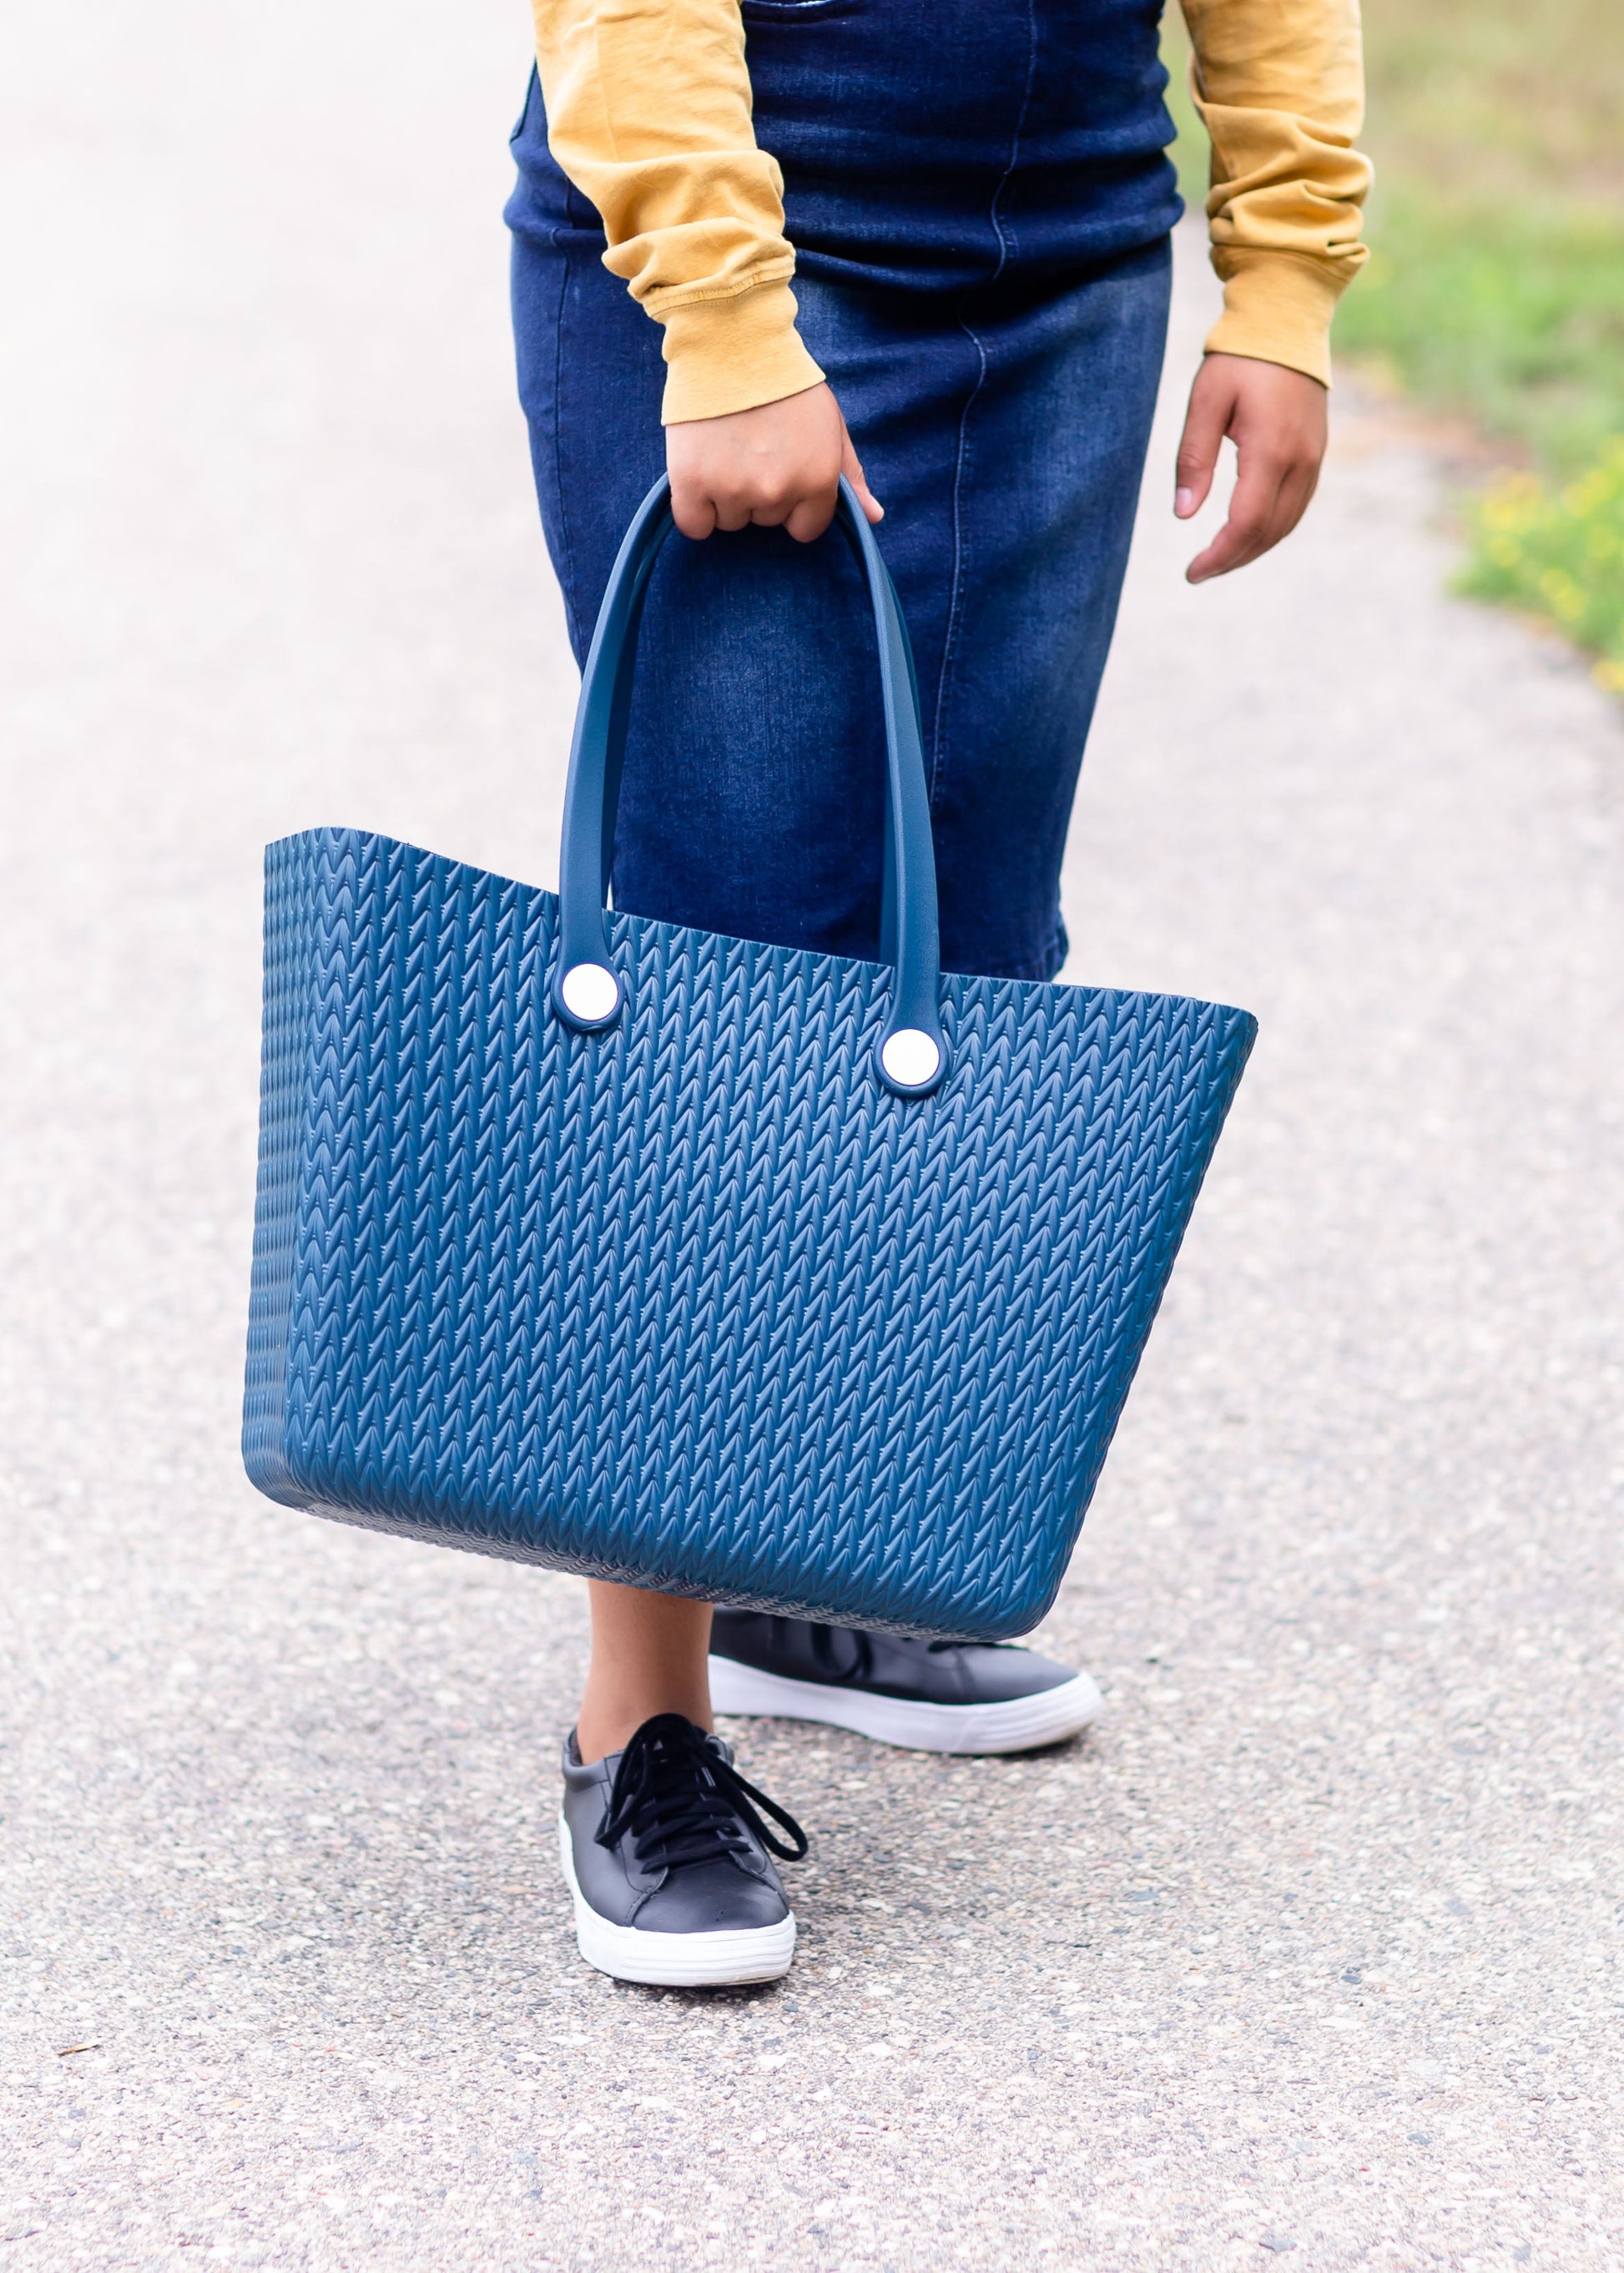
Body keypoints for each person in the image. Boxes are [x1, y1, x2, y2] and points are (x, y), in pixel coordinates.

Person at [508, 0, 1369, 1988]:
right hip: (739, 224)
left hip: (1064, 248)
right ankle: (637, 1719)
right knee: (728, 982)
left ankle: (800, 1562)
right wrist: (724, 322)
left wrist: (1285, 273)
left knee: (959, 960)